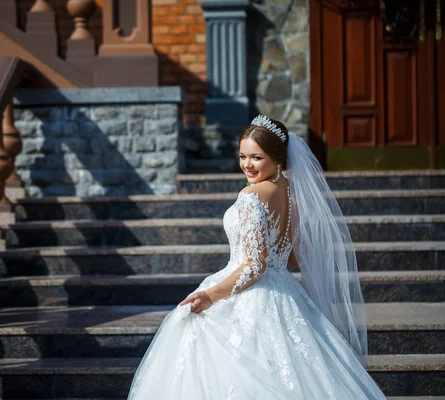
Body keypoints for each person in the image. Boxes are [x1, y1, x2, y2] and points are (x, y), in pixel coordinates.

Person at [127, 115, 387, 399]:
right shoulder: (294, 192)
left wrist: (211, 296)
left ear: (278, 157)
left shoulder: (252, 195)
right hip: (286, 291)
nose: (247, 165)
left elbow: (255, 265)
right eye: (242, 156)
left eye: (256, 157)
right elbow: (295, 259)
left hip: (253, 291)